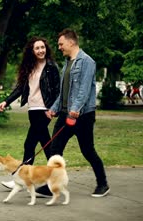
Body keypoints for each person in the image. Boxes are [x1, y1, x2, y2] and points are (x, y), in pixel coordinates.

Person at [40, 28, 110, 197]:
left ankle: (103, 184)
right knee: (54, 149)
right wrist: (54, 109)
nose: (59, 47)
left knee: (87, 150)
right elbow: (64, 93)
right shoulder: (67, 63)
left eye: (61, 44)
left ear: (71, 42)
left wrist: (75, 109)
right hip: (65, 115)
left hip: (82, 116)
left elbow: (84, 91)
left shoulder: (87, 62)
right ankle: (52, 186)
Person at [0, 36, 60, 189]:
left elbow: (58, 90)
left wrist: (54, 109)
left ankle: (21, 179)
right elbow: (20, 88)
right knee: (46, 143)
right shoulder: (29, 67)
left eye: (43, 47)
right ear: (32, 51)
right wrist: (6, 101)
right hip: (32, 110)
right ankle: (56, 175)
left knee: (29, 144)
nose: (41, 50)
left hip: (45, 111)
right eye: (37, 48)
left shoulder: (51, 66)